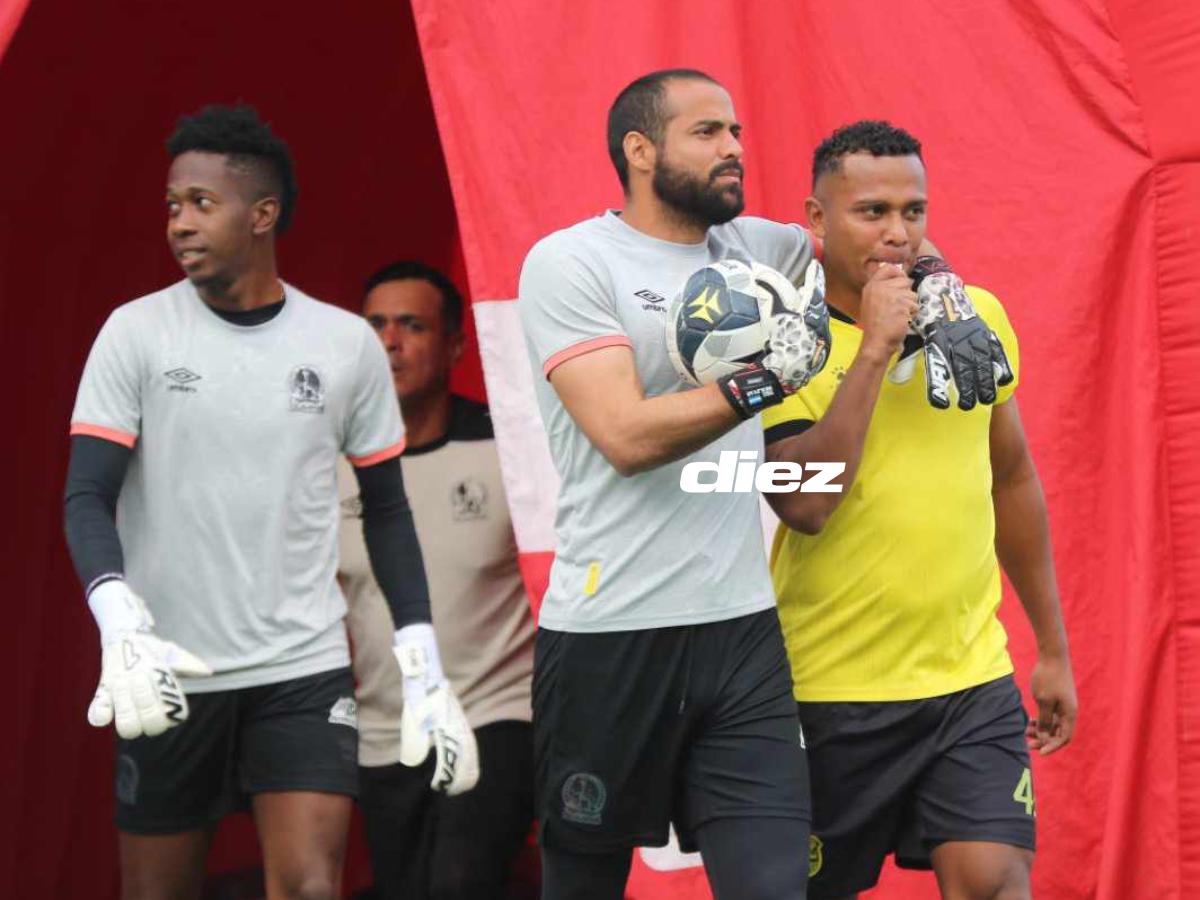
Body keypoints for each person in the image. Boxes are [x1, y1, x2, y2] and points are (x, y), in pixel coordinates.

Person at [517, 68, 944, 900]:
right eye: (707, 132)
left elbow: (886, 238)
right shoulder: (571, 262)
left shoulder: (762, 249)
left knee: (774, 886)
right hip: (613, 633)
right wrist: (764, 381)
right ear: (640, 151)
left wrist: (945, 289)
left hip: (742, 634)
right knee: (582, 885)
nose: (734, 149)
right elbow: (624, 438)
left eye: (737, 132)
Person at [62, 104, 476, 900]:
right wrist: (118, 619)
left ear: (262, 215)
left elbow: (388, 510)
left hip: (302, 670)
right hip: (169, 669)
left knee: (311, 887)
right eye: (173, 205)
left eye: (201, 203)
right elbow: (87, 494)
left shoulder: (343, 343)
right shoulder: (134, 332)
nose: (180, 222)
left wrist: (424, 665)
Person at [763, 120, 1078, 900]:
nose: (898, 233)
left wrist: (1051, 648)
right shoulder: (782, 341)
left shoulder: (977, 320)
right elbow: (805, 502)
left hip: (970, 682)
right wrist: (875, 348)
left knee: (996, 882)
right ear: (817, 218)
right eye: (872, 211)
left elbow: (1011, 477)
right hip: (828, 690)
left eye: (914, 211)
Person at [337, 261, 536, 899]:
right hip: (384, 730)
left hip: (497, 713)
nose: (390, 342)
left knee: (459, 881)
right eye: (375, 326)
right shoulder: (327, 463)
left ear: (454, 346)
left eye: (411, 326)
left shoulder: (508, 450)